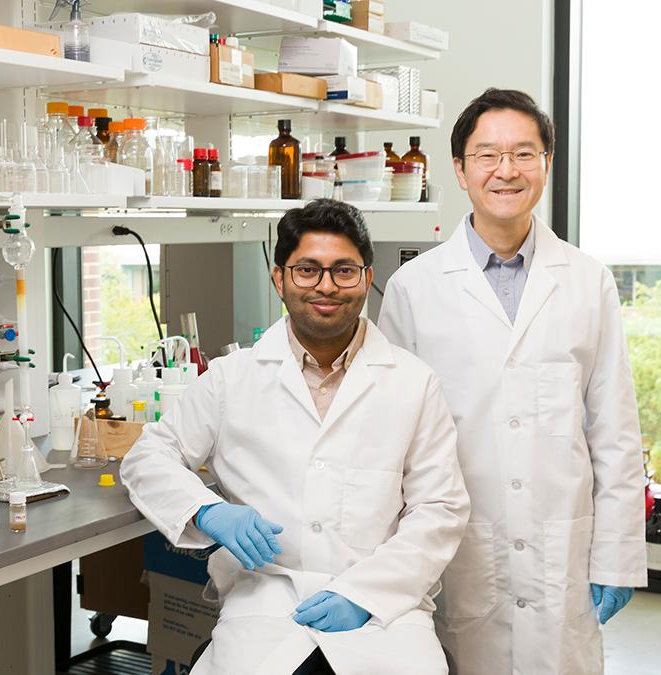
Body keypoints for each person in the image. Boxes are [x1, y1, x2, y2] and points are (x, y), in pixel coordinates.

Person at [121, 199, 470, 675]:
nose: (326, 286)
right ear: (279, 278)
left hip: (383, 609)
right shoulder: (230, 379)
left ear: (367, 279)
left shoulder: (413, 382)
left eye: (344, 271)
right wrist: (208, 510)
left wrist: (364, 594)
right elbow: (147, 457)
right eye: (307, 270)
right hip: (264, 602)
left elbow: (440, 510)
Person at [378, 88, 646, 674]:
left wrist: (619, 555)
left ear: (546, 164)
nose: (506, 170)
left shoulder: (587, 280)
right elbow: (392, 439)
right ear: (460, 169)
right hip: (459, 544)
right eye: (487, 155)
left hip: (562, 544)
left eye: (524, 154)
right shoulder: (413, 289)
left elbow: (615, 429)